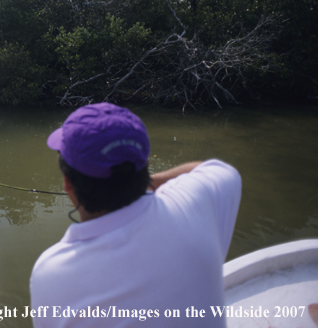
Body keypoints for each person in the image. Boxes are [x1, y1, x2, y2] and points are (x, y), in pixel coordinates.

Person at [29, 102, 242, 328]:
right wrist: (144, 183)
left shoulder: (51, 274)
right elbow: (214, 169)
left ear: (67, 184)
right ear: (142, 165)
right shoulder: (194, 202)